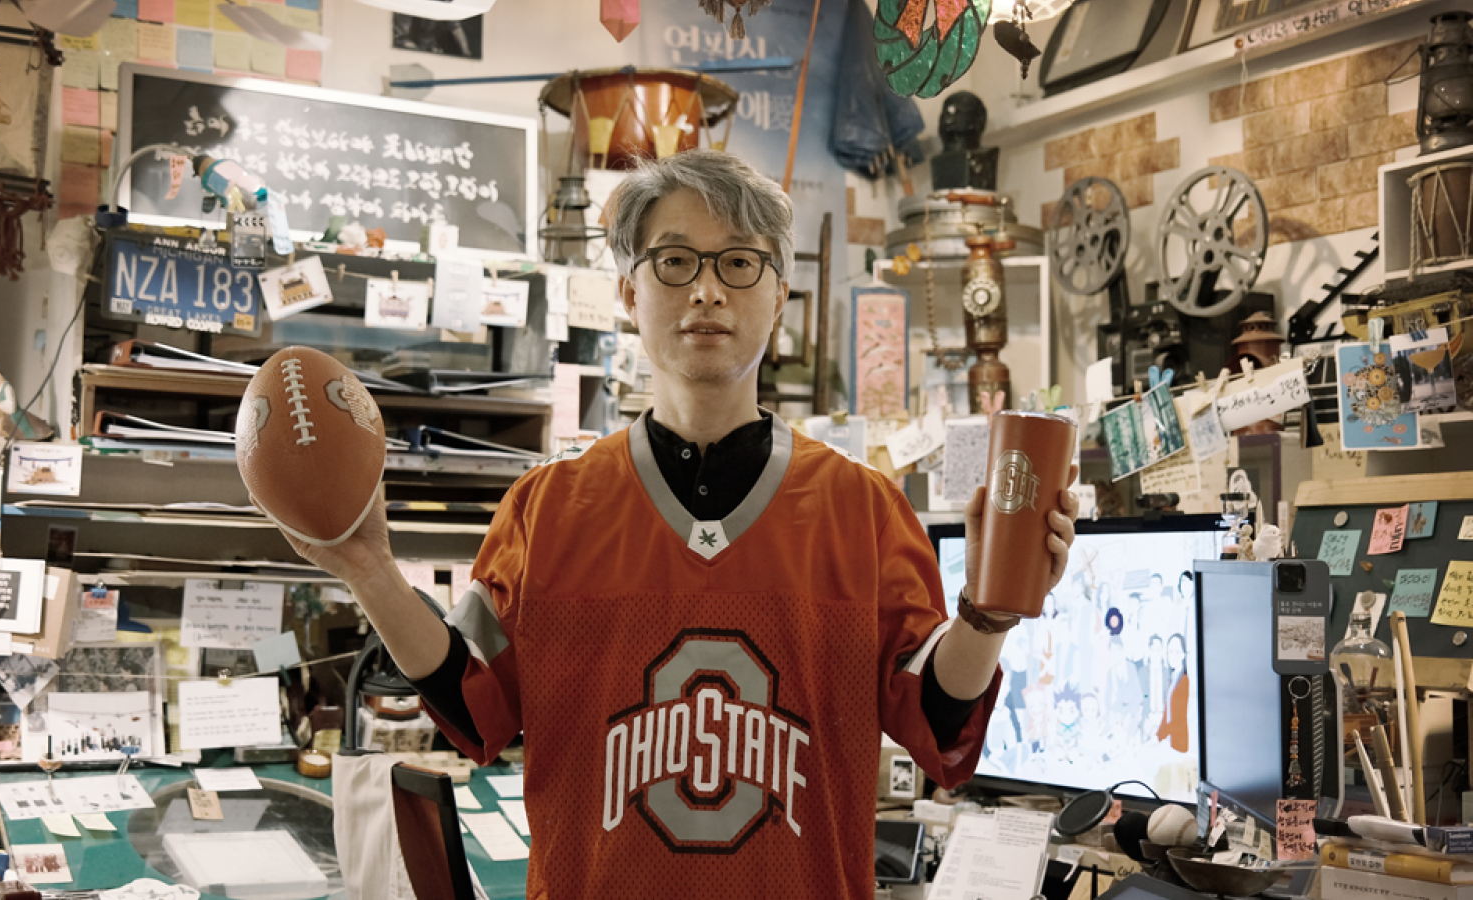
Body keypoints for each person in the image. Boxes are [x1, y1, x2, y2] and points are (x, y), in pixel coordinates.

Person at [280, 150, 1077, 899]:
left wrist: (988, 614)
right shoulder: (546, 507)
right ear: (628, 292)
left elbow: (935, 724)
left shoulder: (863, 509)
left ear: (778, 293)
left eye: (739, 262)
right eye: (674, 261)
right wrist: (368, 568)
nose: (707, 290)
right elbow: (472, 709)